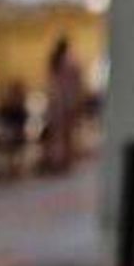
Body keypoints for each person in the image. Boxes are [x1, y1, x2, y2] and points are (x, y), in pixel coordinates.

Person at [45, 36, 86, 171]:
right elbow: (77, 83)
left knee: (58, 135)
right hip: (65, 101)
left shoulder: (58, 62)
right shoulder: (69, 62)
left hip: (57, 101)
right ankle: (62, 161)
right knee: (64, 135)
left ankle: (58, 161)